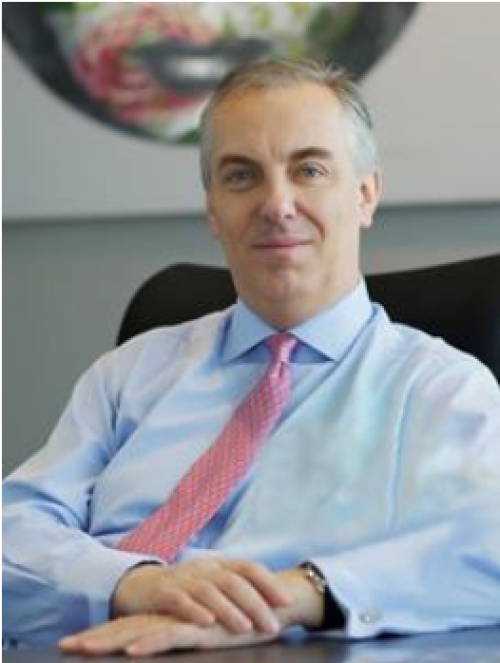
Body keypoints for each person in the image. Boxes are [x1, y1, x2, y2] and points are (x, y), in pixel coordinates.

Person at [3, 58, 500, 657]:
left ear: (365, 194)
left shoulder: (440, 391)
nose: (277, 204)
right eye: (242, 176)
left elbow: (488, 544)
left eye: (309, 170)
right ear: (213, 210)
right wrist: (132, 584)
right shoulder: (130, 375)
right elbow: (13, 533)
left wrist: (296, 594)